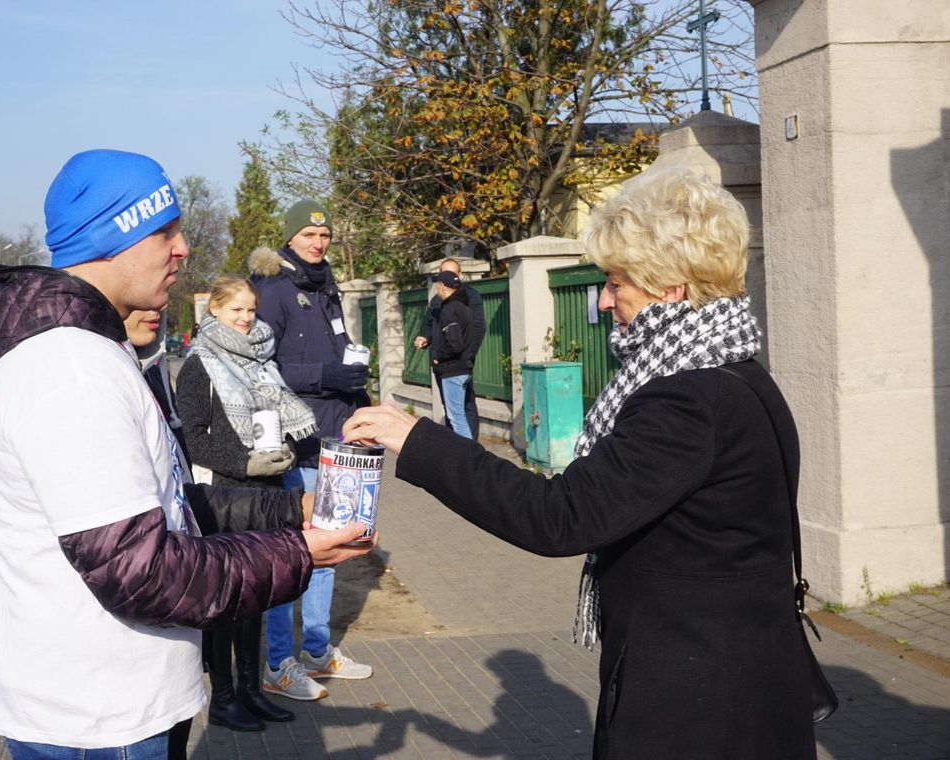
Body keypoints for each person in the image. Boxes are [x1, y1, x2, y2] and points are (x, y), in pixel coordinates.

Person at [344, 168, 817, 759]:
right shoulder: (739, 371)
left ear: (670, 287)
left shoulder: (686, 400)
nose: (604, 299)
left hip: (700, 706)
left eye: (617, 282)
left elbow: (559, 516)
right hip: (740, 682)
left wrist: (417, 440)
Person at [0, 150, 372, 759]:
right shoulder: (73, 368)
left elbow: (162, 505)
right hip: (100, 713)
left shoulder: (91, 349)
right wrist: (299, 552)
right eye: (164, 231)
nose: (182, 249)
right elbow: (140, 570)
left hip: (98, 700)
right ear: (110, 237)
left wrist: (289, 512)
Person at [175, 274, 319, 730]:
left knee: (255, 596)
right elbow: (195, 440)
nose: (245, 318)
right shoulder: (201, 365)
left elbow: (285, 420)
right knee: (226, 601)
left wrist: (285, 453)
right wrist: (247, 462)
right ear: (213, 309)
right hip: (227, 497)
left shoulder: (262, 362)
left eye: (251, 310)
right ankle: (224, 699)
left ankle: (253, 691)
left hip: (269, 493)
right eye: (236, 309)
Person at [249, 200, 374, 701]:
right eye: (307, 236)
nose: (318, 244)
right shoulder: (273, 290)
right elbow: (263, 370)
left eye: (323, 236)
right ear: (289, 238)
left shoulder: (326, 286)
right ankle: (279, 662)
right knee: (291, 554)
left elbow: (337, 350)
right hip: (294, 443)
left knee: (329, 550)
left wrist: (358, 402)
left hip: (335, 437)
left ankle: (317, 652)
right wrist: (326, 376)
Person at [414, 258, 485, 438]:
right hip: (442, 363)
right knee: (451, 408)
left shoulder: (469, 297)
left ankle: (469, 453)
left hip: (458, 363)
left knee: (464, 409)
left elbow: (478, 328)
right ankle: (456, 452)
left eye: (452, 274)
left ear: (459, 275)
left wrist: (467, 356)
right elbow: (433, 326)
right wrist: (426, 339)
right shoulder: (436, 301)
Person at [425, 270, 475, 439]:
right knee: (460, 414)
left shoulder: (448, 309)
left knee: (456, 417)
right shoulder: (465, 307)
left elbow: (454, 344)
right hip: (464, 368)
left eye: (437, 286)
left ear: (442, 287)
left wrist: (438, 356)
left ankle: (469, 459)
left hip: (453, 371)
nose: (436, 290)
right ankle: (467, 457)